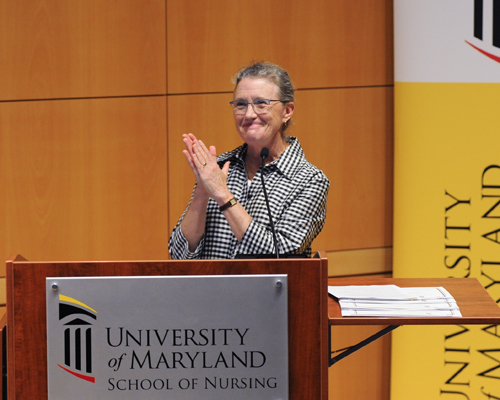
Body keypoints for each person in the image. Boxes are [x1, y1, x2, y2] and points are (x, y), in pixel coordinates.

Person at [169, 61, 329, 259]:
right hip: (210, 290)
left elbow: (280, 256)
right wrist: (202, 193)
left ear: (287, 111)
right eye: (241, 105)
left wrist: (222, 194)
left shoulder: (309, 180)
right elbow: (179, 255)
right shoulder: (217, 168)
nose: (249, 114)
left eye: (261, 103)